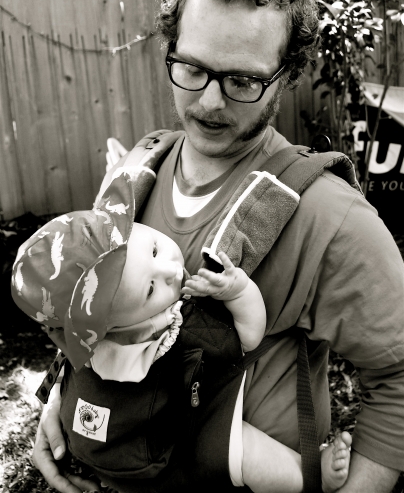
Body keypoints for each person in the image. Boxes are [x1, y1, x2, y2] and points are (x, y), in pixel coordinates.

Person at [31, 0, 404, 493]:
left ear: (286, 75)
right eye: (191, 68)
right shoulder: (137, 171)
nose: (209, 102)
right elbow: (96, 313)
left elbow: (398, 377)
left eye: (242, 80)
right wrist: (59, 401)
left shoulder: (329, 216)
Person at [12, 169, 350, 493]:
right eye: (150, 288)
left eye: (154, 250)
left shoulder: (92, 341)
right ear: (114, 328)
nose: (171, 270)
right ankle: (310, 476)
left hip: (93, 448)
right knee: (242, 447)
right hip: (162, 455)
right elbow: (248, 337)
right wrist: (238, 291)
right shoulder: (170, 329)